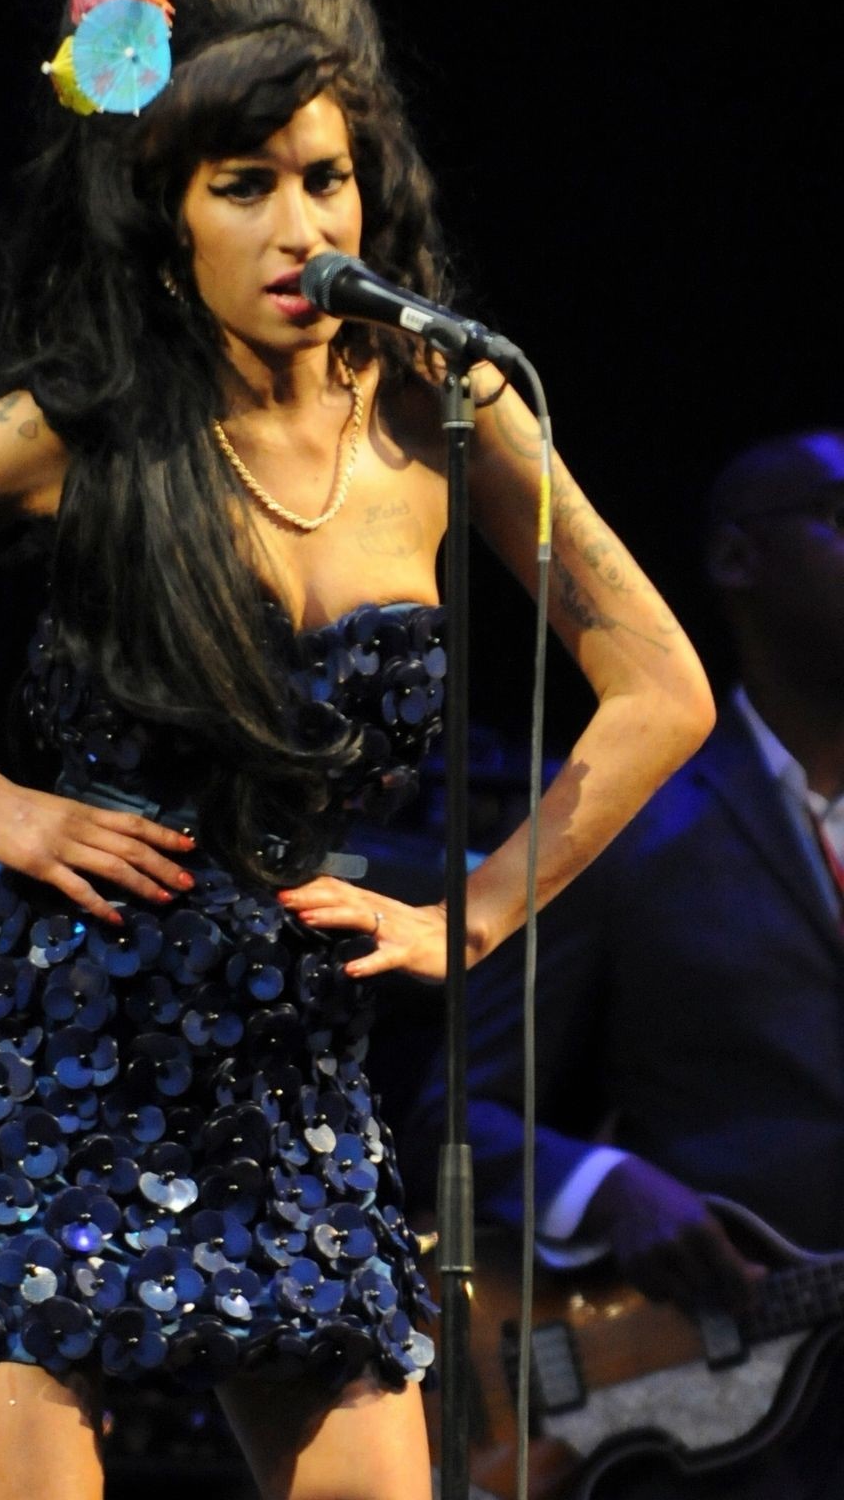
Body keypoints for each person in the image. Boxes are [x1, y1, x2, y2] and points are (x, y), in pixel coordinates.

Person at [0, 0, 713, 1500]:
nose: (300, 230)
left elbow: (659, 687)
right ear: (166, 212)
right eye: (246, 187)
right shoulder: (74, 428)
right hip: (56, 1032)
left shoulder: (444, 404)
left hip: (287, 1048)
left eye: (326, 180)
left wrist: (478, 915)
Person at [400, 428, 844, 1497]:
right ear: (737, 558)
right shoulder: (623, 821)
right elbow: (454, 1114)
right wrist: (600, 1187)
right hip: (719, 1427)